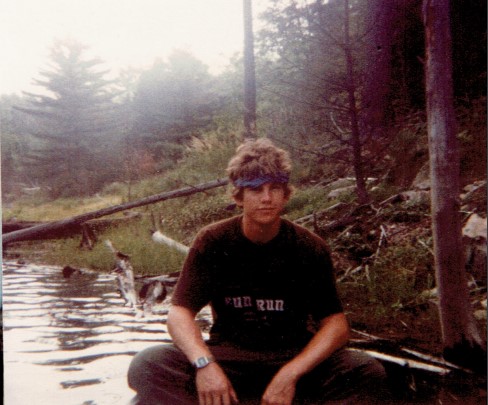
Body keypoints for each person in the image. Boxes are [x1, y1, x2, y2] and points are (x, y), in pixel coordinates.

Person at [128, 138, 388, 405]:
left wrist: (290, 374)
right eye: (255, 190)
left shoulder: (309, 247)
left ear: (286, 195)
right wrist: (204, 364)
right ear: (238, 197)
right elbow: (180, 313)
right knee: (147, 364)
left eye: (275, 188)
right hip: (229, 359)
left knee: (365, 370)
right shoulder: (213, 241)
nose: (266, 198)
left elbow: (336, 325)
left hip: (291, 356)